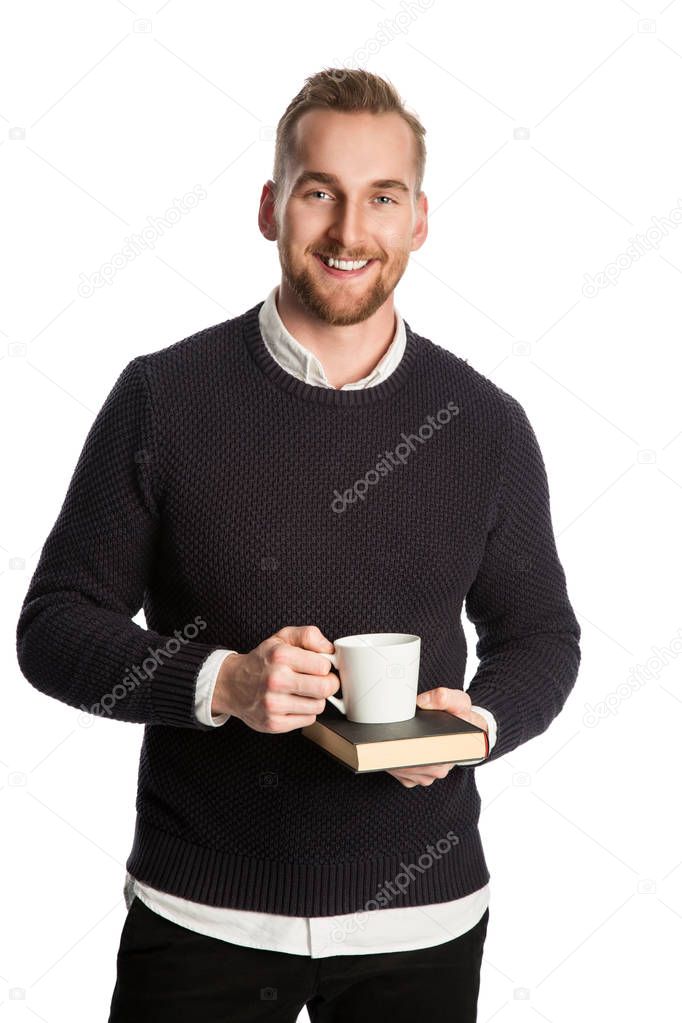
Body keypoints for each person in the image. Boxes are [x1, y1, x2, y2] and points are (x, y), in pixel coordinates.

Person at [16, 67, 581, 1022]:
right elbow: (54, 627)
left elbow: (543, 638)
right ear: (273, 207)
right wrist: (223, 682)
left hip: (423, 920)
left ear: (419, 220)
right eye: (320, 192)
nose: (349, 231)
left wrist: (472, 726)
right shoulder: (165, 396)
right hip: (203, 915)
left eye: (381, 198)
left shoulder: (485, 423)